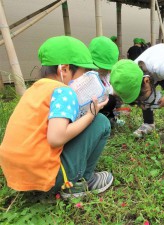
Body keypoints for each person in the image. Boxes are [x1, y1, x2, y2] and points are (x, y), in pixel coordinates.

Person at [0, 36, 113, 199]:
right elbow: (56, 138)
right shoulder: (63, 91)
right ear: (64, 70)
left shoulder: (34, 90)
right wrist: (91, 115)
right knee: (100, 122)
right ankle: (81, 182)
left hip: (17, 174)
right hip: (47, 176)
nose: (85, 78)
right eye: (84, 72)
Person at [110, 43, 164, 143]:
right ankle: (148, 123)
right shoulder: (131, 73)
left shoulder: (162, 68)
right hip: (153, 65)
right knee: (143, 97)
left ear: (147, 81)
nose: (142, 104)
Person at [89, 36, 121, 125]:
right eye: (102, 67)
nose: (106, 70)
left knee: (113, 99)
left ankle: (109, 117)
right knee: (111, 99)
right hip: (90, 107)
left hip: (101, 104)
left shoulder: (107, 74)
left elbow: (108, 86)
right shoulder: (88, 75)